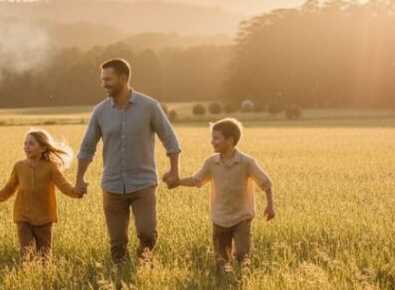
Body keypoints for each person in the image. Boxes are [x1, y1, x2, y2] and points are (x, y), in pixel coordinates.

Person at [76, 58, 181, 262]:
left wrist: (174, 170)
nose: (103, 83)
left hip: (143, 184)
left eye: (108, 79)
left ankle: (144, 263)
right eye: (102, 79)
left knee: (147, 234)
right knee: (117, 243)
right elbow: (87, 147)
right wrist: (80, 178)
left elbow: (170, 139)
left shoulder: (149, 106)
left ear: (123, 78)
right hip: (112, 185)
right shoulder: (100, 111)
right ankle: (119, 281)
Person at [171, 118, 274, 269]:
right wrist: (177, 181)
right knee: (221, 261)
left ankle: (243, 281)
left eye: (216, 138)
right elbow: (196, 180)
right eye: (212, 138)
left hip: (241, 217)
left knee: (242, 255)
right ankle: (224, 283)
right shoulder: (211, 163)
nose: (212, 141)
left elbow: (266, 183)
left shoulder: (246, 162)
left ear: (230, 140)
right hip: (219, 218)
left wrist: (270, 206)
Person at [0, 129, 83, 260]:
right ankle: (26, 274)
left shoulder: (51, 167)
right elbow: (8, 189)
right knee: (26, 253)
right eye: (25, 143)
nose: (27, 147)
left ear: (42, 148)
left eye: (31, 144)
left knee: (44, 255)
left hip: (45, 217)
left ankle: (43, 277)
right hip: (23, 215)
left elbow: (64, 186)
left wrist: (76, 192)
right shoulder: (19, 166)